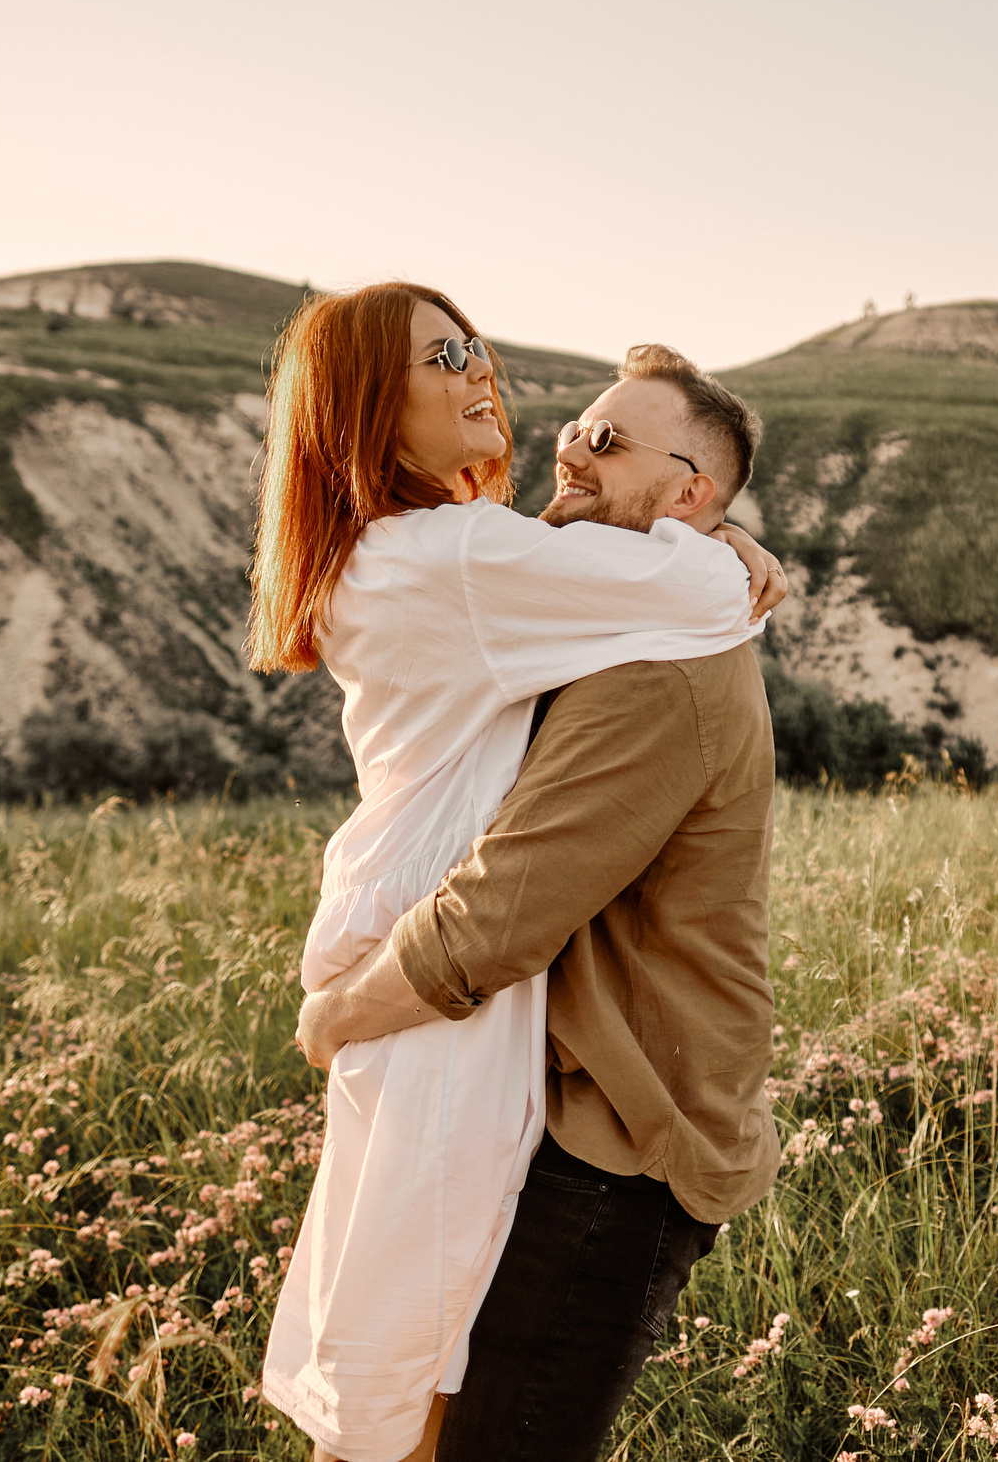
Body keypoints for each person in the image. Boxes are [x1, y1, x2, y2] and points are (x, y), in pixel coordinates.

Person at [246, 285, 787, 1462]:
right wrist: (718, 544)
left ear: (685, 492)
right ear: (366, 406)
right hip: (448, 1002)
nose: (565, 444)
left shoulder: (616, 646)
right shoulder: (469, 564)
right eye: (444, 357)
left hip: (603, 1107)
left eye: (608, 440)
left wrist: (336, 1013)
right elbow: (669, 583)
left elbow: (498, 919)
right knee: (406, 1369)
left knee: (404, 1368)